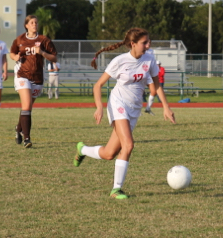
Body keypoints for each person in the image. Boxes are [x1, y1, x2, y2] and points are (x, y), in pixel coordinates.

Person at [73, 28, 176, 200]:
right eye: (145, 43)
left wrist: (166, 107)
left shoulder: (149, 60)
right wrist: (99, 107)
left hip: (134, 109)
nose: (148, 45)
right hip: (118, 104)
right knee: (128, 145)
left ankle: (82, 149)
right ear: (133, 44)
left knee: (109, 154)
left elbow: (157, 85)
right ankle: (116, 190)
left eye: (148, 41)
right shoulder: (119, 61)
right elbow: (97, 85)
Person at [10, 15, 58, 147]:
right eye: (32, 23)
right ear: (26, 25)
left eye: (36, 22)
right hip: (22, 75)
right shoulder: (20, 39)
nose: (34, 24)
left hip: (37, 77)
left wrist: (42, 53)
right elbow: (12, 53)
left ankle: (18, 129)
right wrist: (15, 57)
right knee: (26, 106)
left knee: (28, 107)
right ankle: (27, 138)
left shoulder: (43, 39)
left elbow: (54, 58)